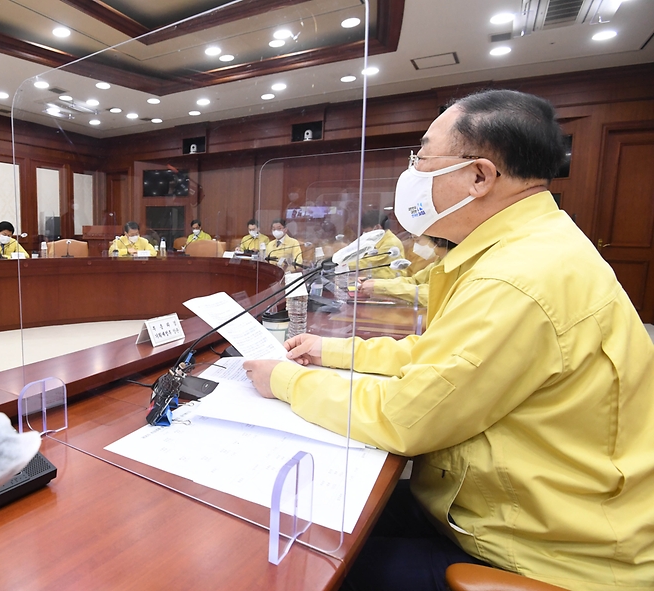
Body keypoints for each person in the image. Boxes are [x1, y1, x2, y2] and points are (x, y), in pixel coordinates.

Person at [244, 89, 654, 591]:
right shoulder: (522, 248)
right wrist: (329, 351)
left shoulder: (519, 276)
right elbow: (439, 354)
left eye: (421, 155)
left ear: (479, 176)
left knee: (304, 566)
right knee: (322, 520)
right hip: (503, 512)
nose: (411, 171)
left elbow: (406, 416)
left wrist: (286, 381)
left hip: (539, 554)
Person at [347, 209, 409, 279]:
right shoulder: (377, 240)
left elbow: (369, 262)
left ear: (378, 227)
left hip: (392, 282)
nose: (366, 234)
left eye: (367, 231)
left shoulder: (391, 242)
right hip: (378, 280)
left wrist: (344, 264)